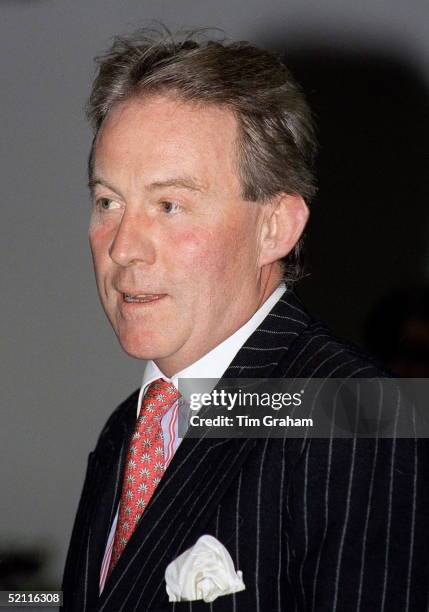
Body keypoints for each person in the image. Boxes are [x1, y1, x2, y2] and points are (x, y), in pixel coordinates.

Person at [62, 29, 429, 611]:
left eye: (169, 204)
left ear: (275, 228)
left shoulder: (356, 416)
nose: (124, 247)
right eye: (108, 201)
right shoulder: (127, 431)